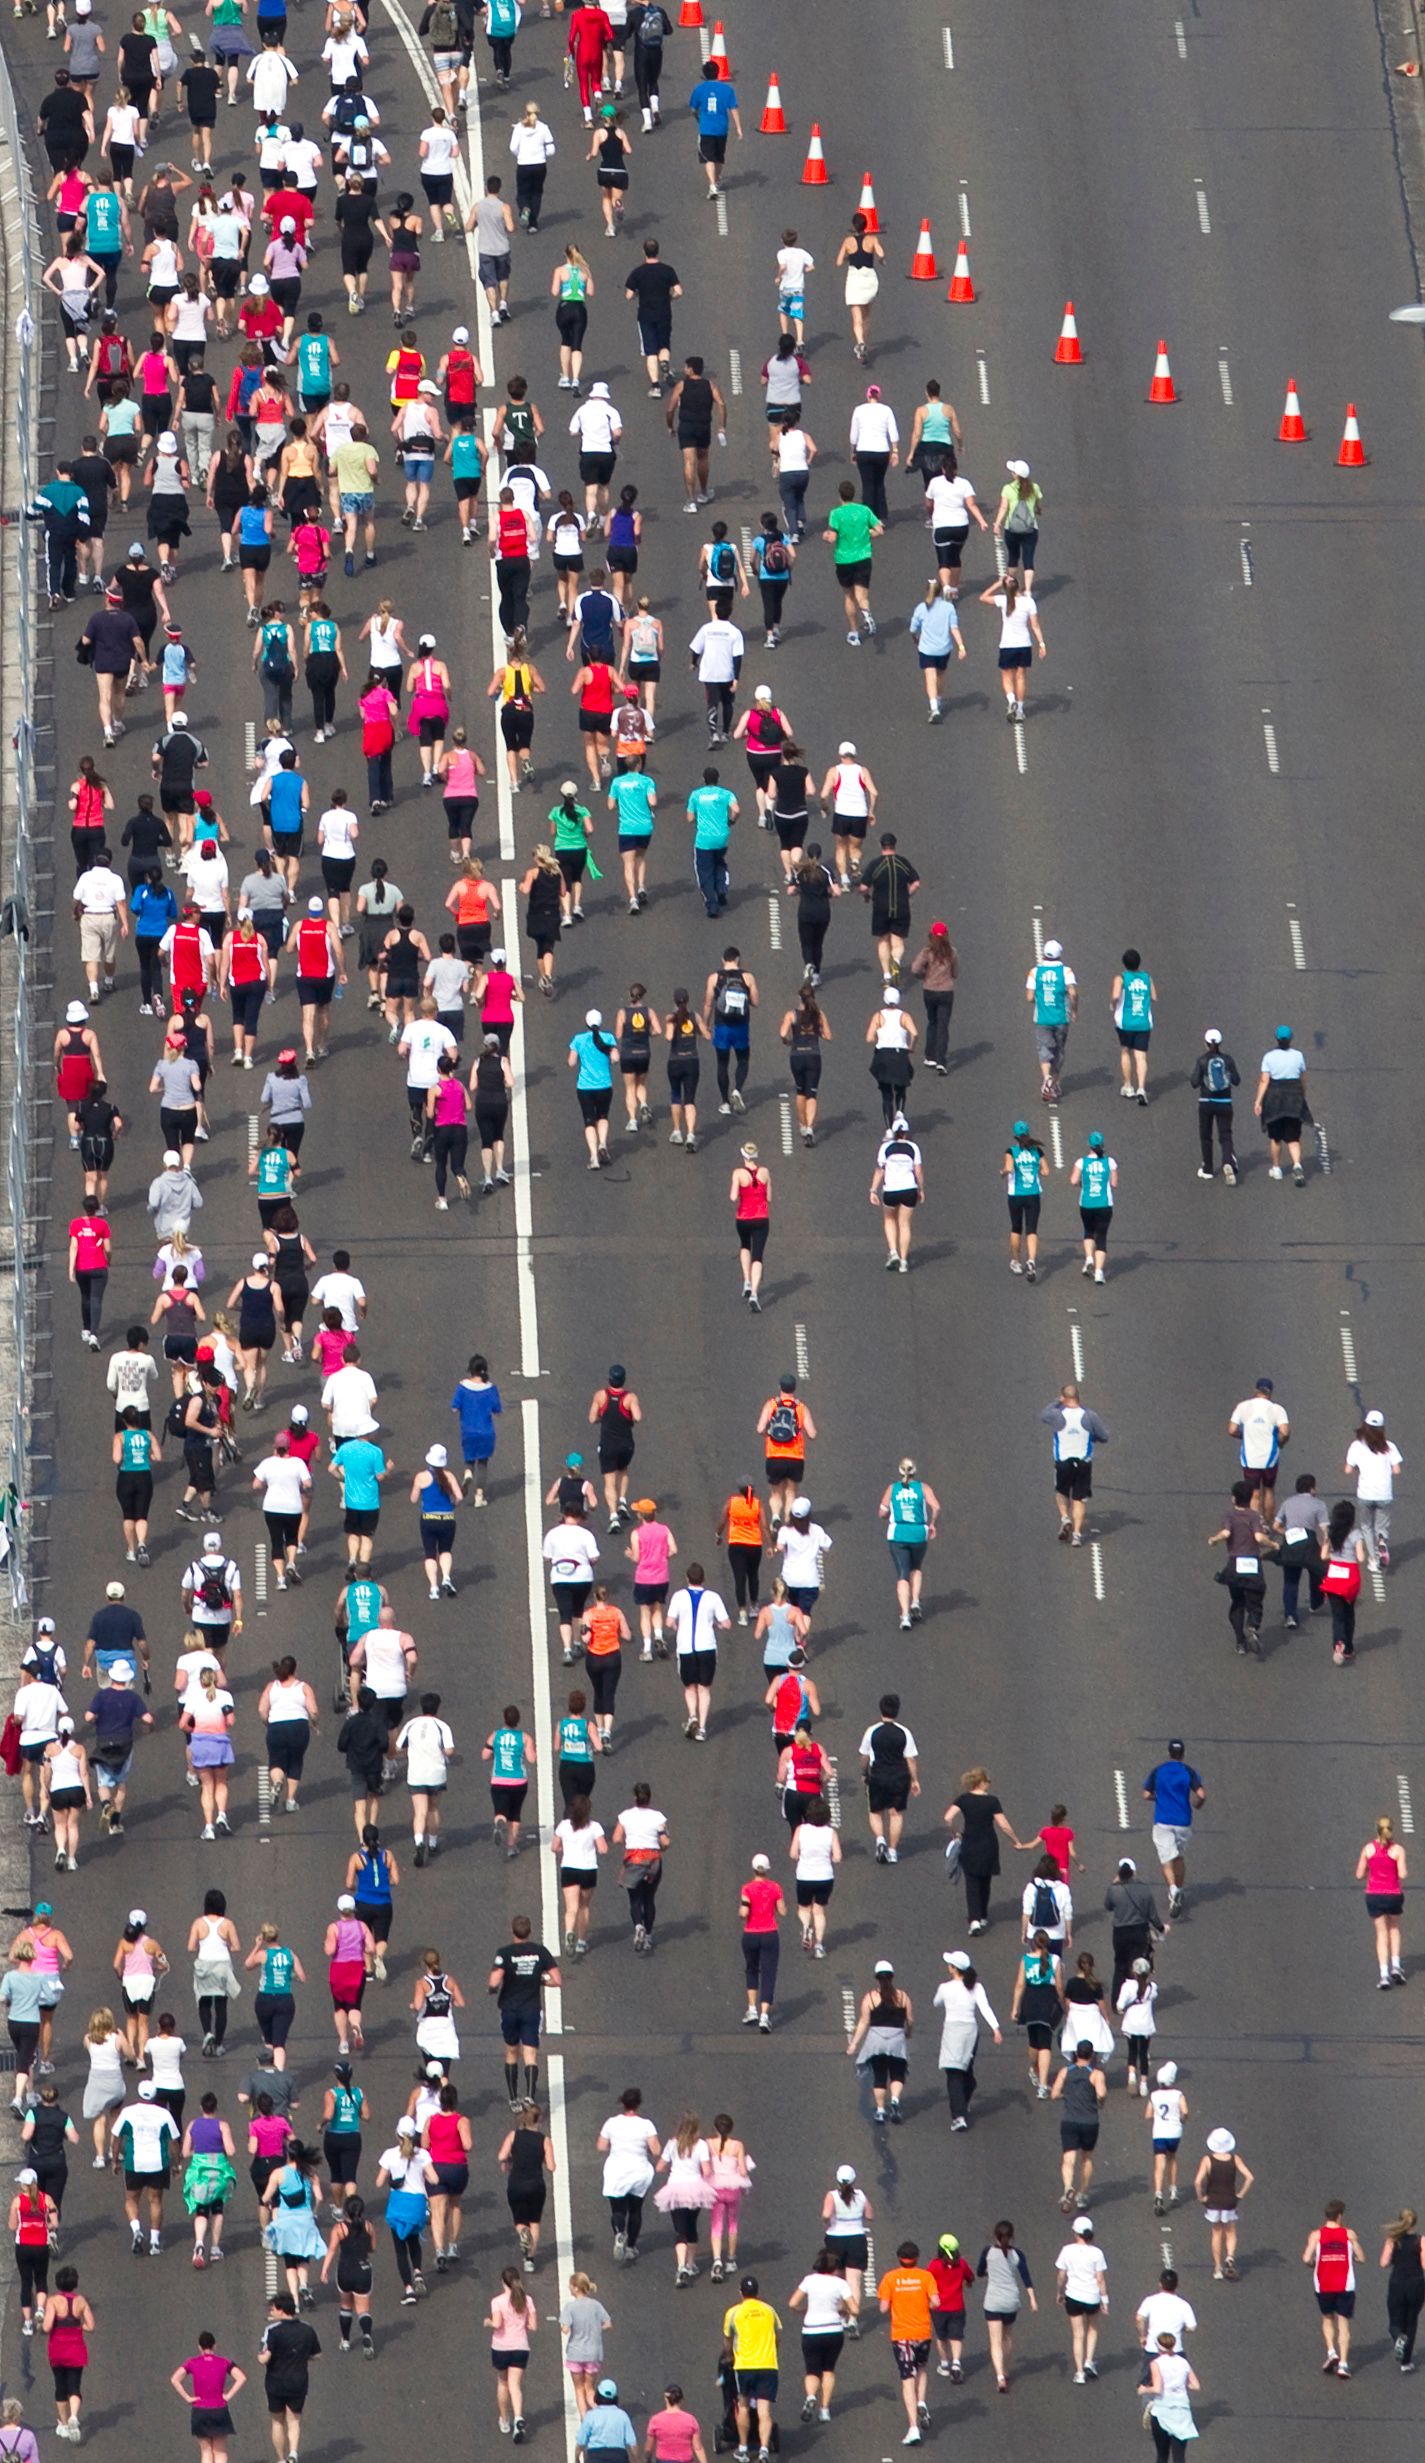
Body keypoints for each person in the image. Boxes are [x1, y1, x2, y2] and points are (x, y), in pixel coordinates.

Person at [877, 2241, 937, 2444]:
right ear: (917, 2258)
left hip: (902, 2335)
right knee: (921, 2369)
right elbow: (936, 2302)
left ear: (899, 2258)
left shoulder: (890, 2278)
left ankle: (913, 2427)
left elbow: (883, 2308)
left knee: (907, 2379)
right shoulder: (926, 2276)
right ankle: (921, 2401)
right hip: (923, 2332)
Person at [934, 1952, 1000, 2131]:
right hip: (971, 2031)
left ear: (954, 1969)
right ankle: (965, 2097)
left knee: (953, 2072)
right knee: (966, 2068)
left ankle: (959, 2116)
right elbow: (985, 2008)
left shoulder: (945, 1988)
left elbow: (936, 2002)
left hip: (953, 2031)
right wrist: (995, 2028)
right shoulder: (976, 1987)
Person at [1142, 1740, 1206, 1918]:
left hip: (1163, 1822)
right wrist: (1198, 1804)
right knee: (1178, 1858)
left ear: (1169, 1753)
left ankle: (1173, 1890)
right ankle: (1179, 1889)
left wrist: (1159, 1798)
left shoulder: (1159, 1771)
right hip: (1183, 1822)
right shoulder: (1188, 1771)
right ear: (1183, 1754)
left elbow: (1146, 1794)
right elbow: (1201, 1794)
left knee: (1166, 1861)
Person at [1041, 1383, 1108, 1546]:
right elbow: (1104, 1436)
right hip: (1083, 1463)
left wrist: (1058, 1401)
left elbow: (1043, 1415)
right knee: (1079, 1499)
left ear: (1064, 1398)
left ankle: (1065, 1518)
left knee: (1062, 1492)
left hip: (1063, 1462)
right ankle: (1077, 1534)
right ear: (1078, 1397)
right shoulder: (1090, 1416)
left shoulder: (1057, 1415)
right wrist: (1093, 1437)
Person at [597, 2088, 660, 2261]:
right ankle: (631, 2246)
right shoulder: (646, 2124)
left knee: (617, 2209)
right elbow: (656, 2150)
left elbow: (601, 2146)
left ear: (623, 2103)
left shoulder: (611, 2123)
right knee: (635, 2210)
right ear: (638, 2104)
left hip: (616, 2171)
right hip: (639, 2171)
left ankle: (619, 2232)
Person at [722, 2273, 780, 2461]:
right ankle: (764, 2449)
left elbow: (728, 2339)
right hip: (768, 2365)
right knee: (764, 2410)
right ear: (757, 2292)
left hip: (745, 2365)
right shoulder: (769, 2310)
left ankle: (744, 2447)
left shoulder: (734, 2313)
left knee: (743, 2406)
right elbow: (778, 2335)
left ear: (741, 2292)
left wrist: (729, 2355)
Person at [845, 1960, 912, 2124]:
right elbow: (909, 2020)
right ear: (892, 1977)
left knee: (880, 2076)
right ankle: (895, 2101)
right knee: (897, 2073)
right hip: (897, 2040)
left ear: (877, 1978)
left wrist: (854, 2043)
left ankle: (881, 2110)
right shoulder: (903, 1997)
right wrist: (908, 2032)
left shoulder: (870, 1998)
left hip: (876, 2042)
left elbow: (864, 2022)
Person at [1304, 2200, 1365, 2377]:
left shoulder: (1316, 2235)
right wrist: (1351, 2256)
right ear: (1340, 2216)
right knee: (1344, 2322)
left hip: (1324, 2284)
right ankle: (1343, 2364)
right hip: (1345, 2284)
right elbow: (1361, 2258)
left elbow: (1306, 2258)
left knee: (1327, 2318)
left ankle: (1331, 2352)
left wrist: (1315, 2262)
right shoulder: (1349, 2234)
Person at [259, 2290, 320, 2460]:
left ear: (281, 2310)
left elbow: (264, 2358)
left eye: (272, 2309)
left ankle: (281, 2459)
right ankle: (293, 2453)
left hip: (275, 2382)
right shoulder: (307, 2329)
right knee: (294, 2420)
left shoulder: (272, 2331)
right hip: (299, 2381)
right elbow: (317, 2354)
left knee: (277, 2421)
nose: (271, 2312)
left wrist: (262, 2356)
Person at [977, 2221, 1036, 2392]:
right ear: (1012, 2237)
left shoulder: (987, 2252)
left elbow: (980, 2272)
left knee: (995, 2340)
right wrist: (1032, 2299)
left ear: (995, 2235)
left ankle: (999, 2376)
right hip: (1011, 2301)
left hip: (993, 2301)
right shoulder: (1017, 2254)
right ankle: (1005, 2369)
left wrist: (989, 2271)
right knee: (1007, 2337)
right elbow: (1026, 2277)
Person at [823, 478, 882, 646]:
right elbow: (880, 530)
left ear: (840, 496)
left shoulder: (836, 514)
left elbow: (833, 537)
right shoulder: (864, 510)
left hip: (844, 559)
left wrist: (826, 536)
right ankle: (866, 612)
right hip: (864, 557)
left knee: (849, 595)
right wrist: (866, 534)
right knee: (862, 595)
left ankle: (854, 633)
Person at [171, 2333, 246, 2463]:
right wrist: (228, 2395)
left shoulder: (192, 2363)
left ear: (199, 2347)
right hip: (219, 2409)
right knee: (220, 2451)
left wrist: (188, 2398)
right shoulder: (224, 2362)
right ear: (214, 2346)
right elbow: (241, 2377)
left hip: (200, 2410)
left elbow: (175, 2379)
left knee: (206, 2452)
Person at [1052, 2041, 1107, 2212]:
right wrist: (1100, 2102)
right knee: (1086, 2158)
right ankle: (1082, 2193)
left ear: (1076, 2053)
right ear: (1091, 2055)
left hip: (1069, 2120)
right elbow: (1101, 2093)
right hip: (1090, 2121)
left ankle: (1068, 2186)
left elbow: (1054, 2094)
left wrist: (1068, 2095)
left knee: (1068, 2158)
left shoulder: (1065, 2071)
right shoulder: (1096, 2074)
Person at [1192, 2127, 1253, 2280]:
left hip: (1213, 2201)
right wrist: (1240, 2195)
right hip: (1230, 2201)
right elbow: (1249, 2177)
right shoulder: (1235, 2159)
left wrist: (1201, 2198)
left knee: (1216, 2232)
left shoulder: (1207, 2160)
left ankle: (1218, 2267)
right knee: (1231, 2231)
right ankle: (1230, 2257)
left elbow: (1198, 2182)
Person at [1346, 1410, 1403, 1572]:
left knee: (1366, 1526)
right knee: (1381, 1526)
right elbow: (1397, 1470)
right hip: (1384, 1493)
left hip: (1365, 1493)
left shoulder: (1357, 1446)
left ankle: (1372, 1558)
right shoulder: (1389, 1446)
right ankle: (1382, 1541)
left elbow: (1348, 1469)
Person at [1254, 1022, 1310, 1182]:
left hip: (1275, 1100)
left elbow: (1264, 1080)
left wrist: (1258, 1101)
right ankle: (1297, 1165)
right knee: (1293, 1138)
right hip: (1294, 1098)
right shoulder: (1298, 1055)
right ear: (1291, 1039)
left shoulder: (1269, 1057)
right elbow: (1303, 1078)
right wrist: (1302, 1094)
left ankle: (1276, 1168)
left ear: (1277, 1039)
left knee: (1276, 1137)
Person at [1356, 1814, 1407, 1987]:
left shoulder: (1368, 1849)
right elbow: (1402, 1874)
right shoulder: (1398, 1850)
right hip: (1393, 1895)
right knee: (1394, 1928)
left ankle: (1384, 1974)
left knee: (1381, 1933)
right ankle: (1396, 1967)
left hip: (1374, 1895)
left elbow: (1359, 1874)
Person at [1191, 1028, 1240, 1182]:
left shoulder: (1202, 1060)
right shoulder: (1228, 1059)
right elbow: (1237, 1080)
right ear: (1220, 1043)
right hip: (1225, 1103)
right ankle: (1228, 1162)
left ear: (1205, 1043)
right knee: (1225, 1135)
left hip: (1206, 1102)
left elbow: (1194, 1082)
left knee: (1206, 1136)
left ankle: (1208, 1169)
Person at [1381, 2208, 1425, 2372]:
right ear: (1415, 2222)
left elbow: (1384, 2263)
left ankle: (1398, 2336)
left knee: (1395, 2321)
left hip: (1397, 2284)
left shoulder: (1393, 2240)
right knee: (1411, 2321)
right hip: (1416, 2284)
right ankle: (1406, 2362)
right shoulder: (1421, 2241)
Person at [1070, 1132, 1116, 1282]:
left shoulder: (1081, 1162)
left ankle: (1089, 1258)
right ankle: (1099, 1273)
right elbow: (1114, 1184)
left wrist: (1083, 1185)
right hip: (1104, 1204)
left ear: (1089, 1146)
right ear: (1102, 1145)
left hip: (1087, 1203)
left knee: (1089, 1231)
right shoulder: (1110, 1162)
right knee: (1101, 1237)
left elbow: (1073, 1180)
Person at [1146, 2334, 1200, 2462]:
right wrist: (1181, 2383)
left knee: (1162, 2455)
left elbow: (1157, 2388)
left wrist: (1144, 2389)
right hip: (1182, 2412)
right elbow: (1195, 2385)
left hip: (1162, 2410)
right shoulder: (1183, 2362)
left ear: (1158, 2347)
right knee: (1179, 2456)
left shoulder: (1156, 2363)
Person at [729, 1144, 770, 1310]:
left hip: (743, 1218)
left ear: (743, 1155)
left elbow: (733, 1197)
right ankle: (754, 1293)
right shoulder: (765, 1172)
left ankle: (746, 1281)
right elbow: (769, 1197)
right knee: (758, 1256)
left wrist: (741, 1190)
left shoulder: (738, 1173)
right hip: (761, 1218)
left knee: (745, 1245)